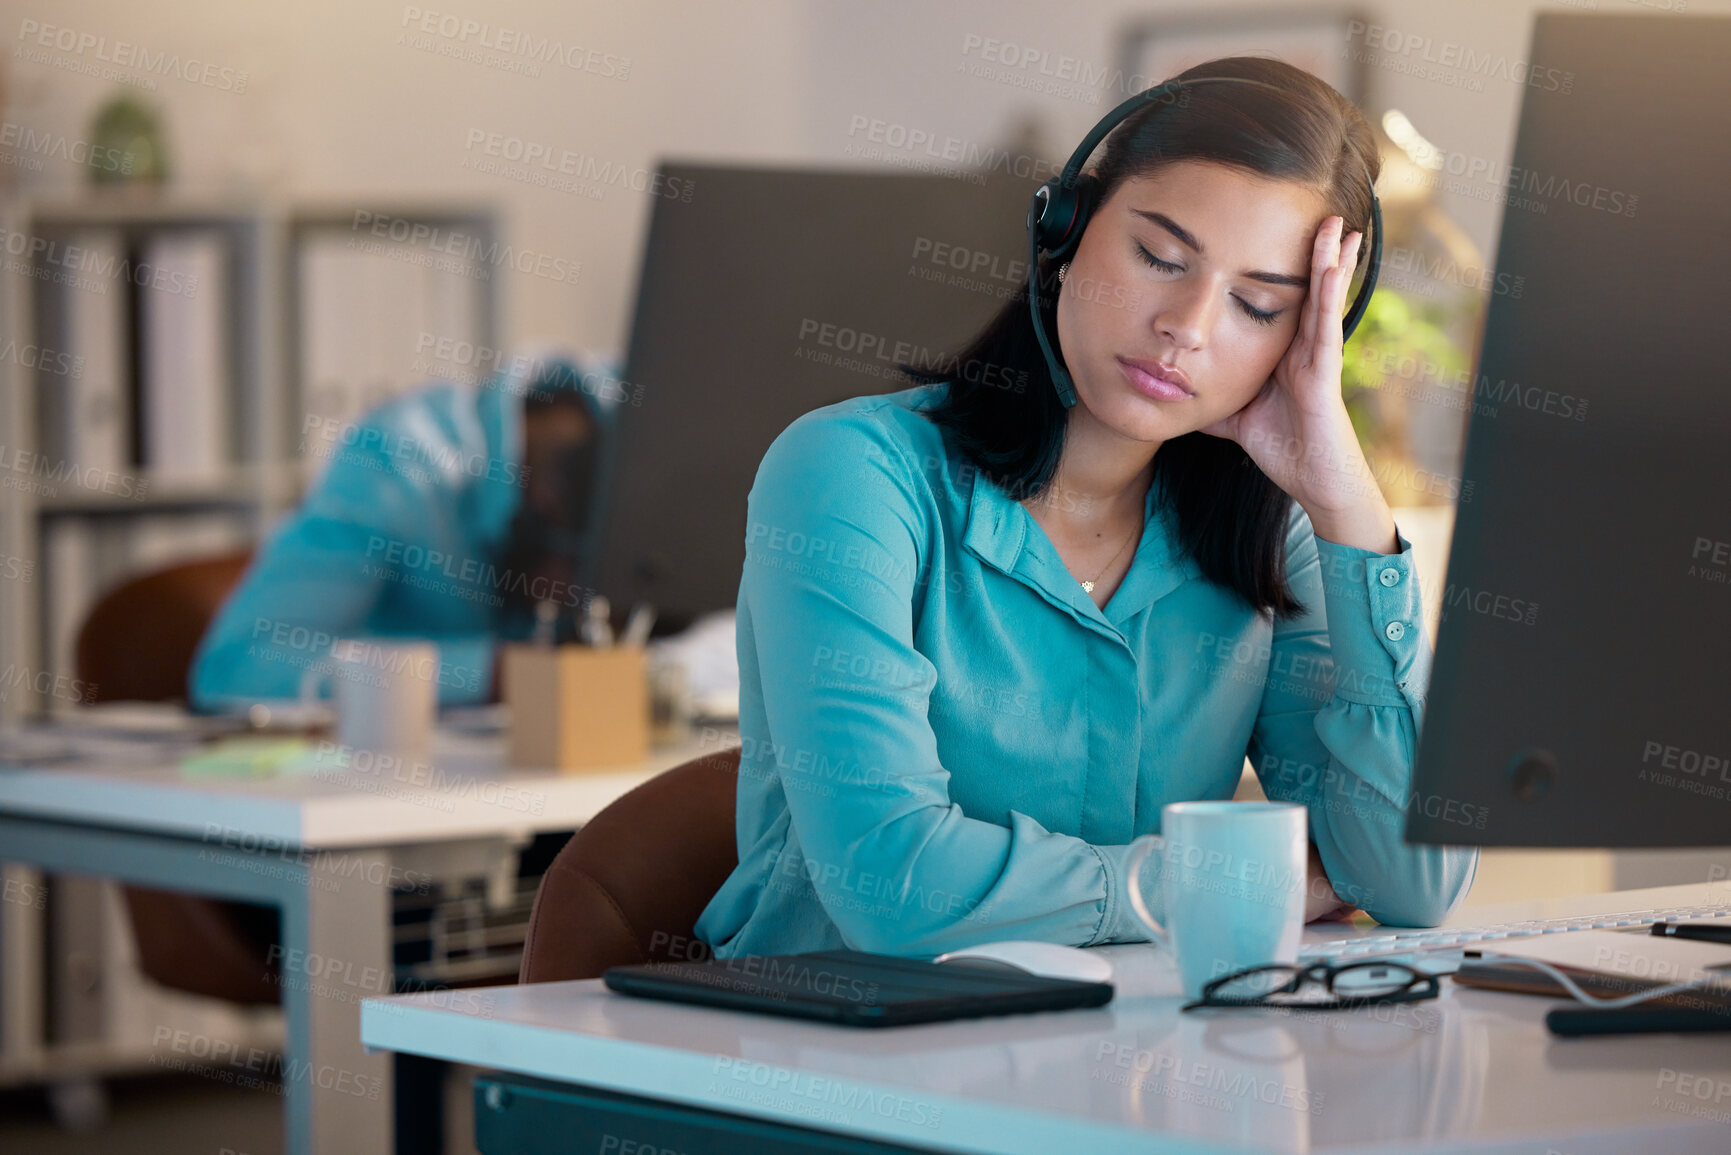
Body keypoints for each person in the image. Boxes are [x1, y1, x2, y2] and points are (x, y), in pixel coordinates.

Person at [695, 56, 1478, 960]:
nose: (1187, 324)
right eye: (1158, 257)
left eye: (1257, 305)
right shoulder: (852, 474)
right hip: (827, 1067)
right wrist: (1213, 882)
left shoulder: (1274, 529)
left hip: (1121, 1062)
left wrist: (1348, 506)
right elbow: (893, 885)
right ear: (1065, 230)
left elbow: (1409, 882)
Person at [190, 353, 617, 710]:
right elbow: (238, 665)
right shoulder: (394, 462)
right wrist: (494, 673)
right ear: (543, 507)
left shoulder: (646, 413)